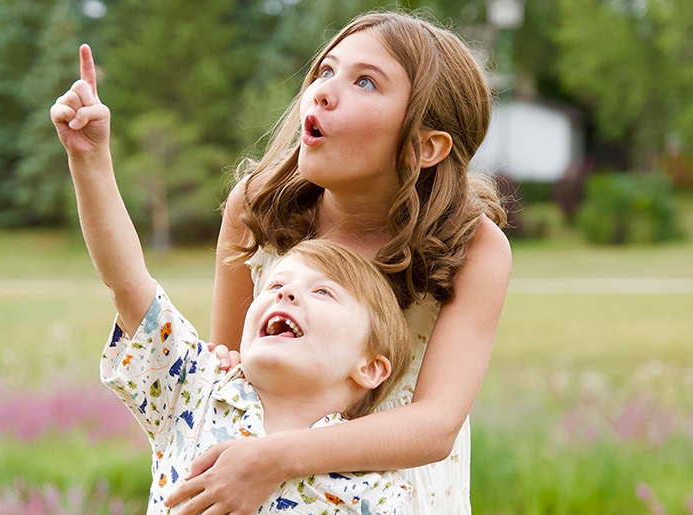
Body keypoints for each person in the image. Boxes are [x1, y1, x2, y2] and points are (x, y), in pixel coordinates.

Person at [53, 43, 422, 514]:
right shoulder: (196, 388)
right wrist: (90, 161)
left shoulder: (372, 486)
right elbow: (127, 282)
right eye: (274, 286)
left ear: (370, 366)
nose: (286, 291)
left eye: (323, 292)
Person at [185, 11, 512, 515]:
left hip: (397, 497)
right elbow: (226, 372)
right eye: (325, 71)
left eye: (364, 82)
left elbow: (436, 425)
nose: (322, 91)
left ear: (426, 145)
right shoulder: (253, 209)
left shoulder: (473, 248)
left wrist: (280, 457)